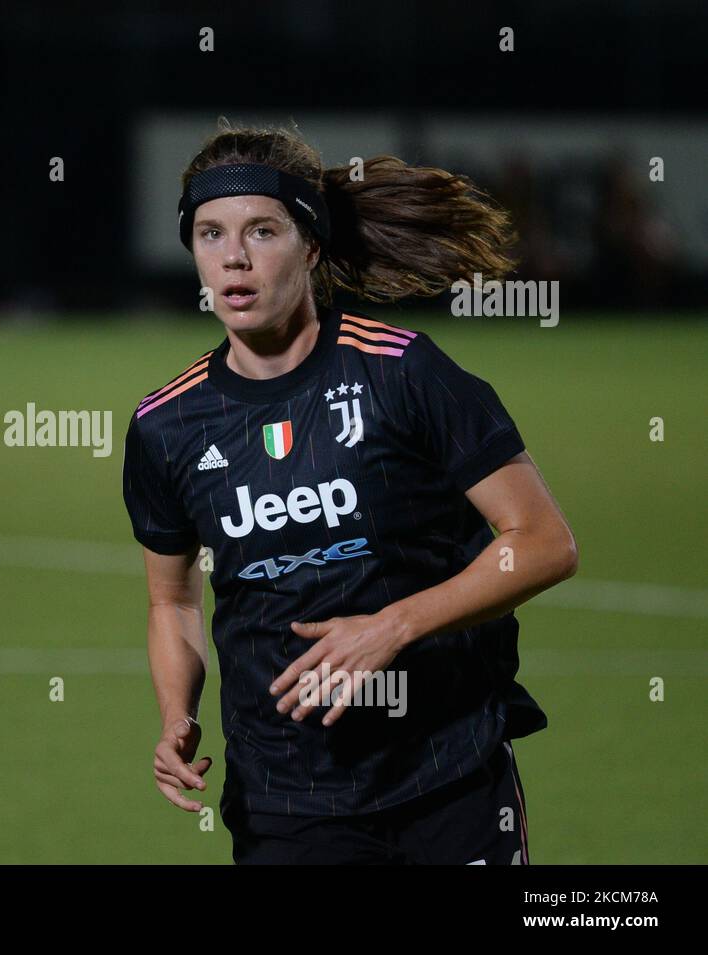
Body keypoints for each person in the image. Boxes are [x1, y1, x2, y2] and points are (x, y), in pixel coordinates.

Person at [122, 122, 578, 865]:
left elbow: (544, 542)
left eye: (261, 230)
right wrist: (177, 713)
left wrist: (391, 626)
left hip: (448, 776)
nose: (233, 257)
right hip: (288, 803)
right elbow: (171, 601)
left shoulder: (402, 373)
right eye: (209, 233)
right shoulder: (165, 426)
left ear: (311, 244)